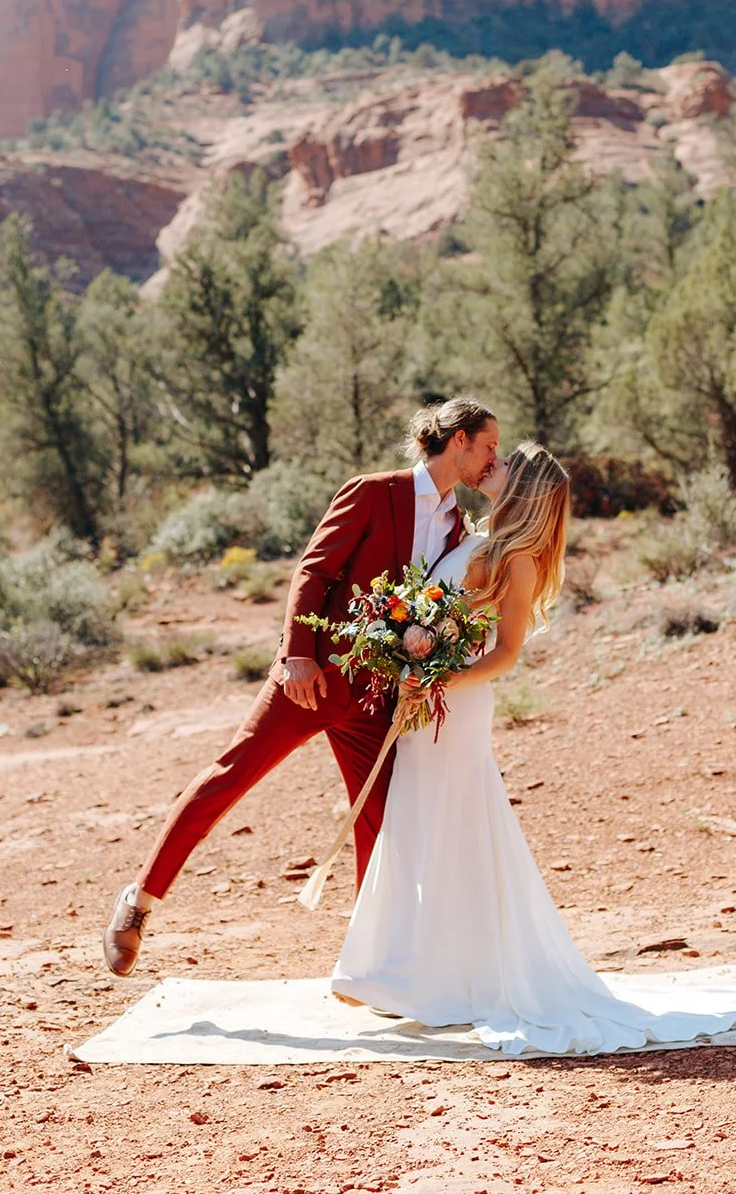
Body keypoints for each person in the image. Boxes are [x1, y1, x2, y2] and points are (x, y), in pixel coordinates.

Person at [331, 442, 736, 1055]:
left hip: (455, 707)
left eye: (507, 462)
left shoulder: (515, 556)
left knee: (450, 826)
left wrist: (439, 678)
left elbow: (506, 652)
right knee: (419, 823)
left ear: (527, 489)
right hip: (426, 704)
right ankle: (401, 973)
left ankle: (434, 981)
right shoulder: (476, 534)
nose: (493, 463)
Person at [102, 396, 501, 976]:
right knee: (227, 779)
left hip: (374, 700)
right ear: (459, 439)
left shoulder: (456, 525)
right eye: (488, 445)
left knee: (385, 823)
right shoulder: (373, 491)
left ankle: (376, 965)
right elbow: (313, 569)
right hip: (309, 679)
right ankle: (138, 901)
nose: (492, 458)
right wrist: (295, 656)